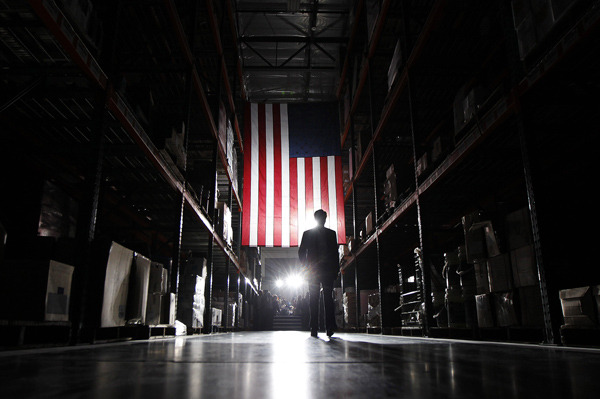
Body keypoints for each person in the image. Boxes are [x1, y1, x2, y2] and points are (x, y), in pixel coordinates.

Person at [298, 209, 339, 337]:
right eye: (322, 218)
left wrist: (335, 270)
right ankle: (317, 328)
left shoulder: (330, 234)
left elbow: (335, 253)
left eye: (324, 218)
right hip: (316, 272)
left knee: (323, 299)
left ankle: (325, 328)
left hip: (323, 272)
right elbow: (301, 252)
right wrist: (306, 266)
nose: (323, 220)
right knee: (317, 299)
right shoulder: (312, 233)